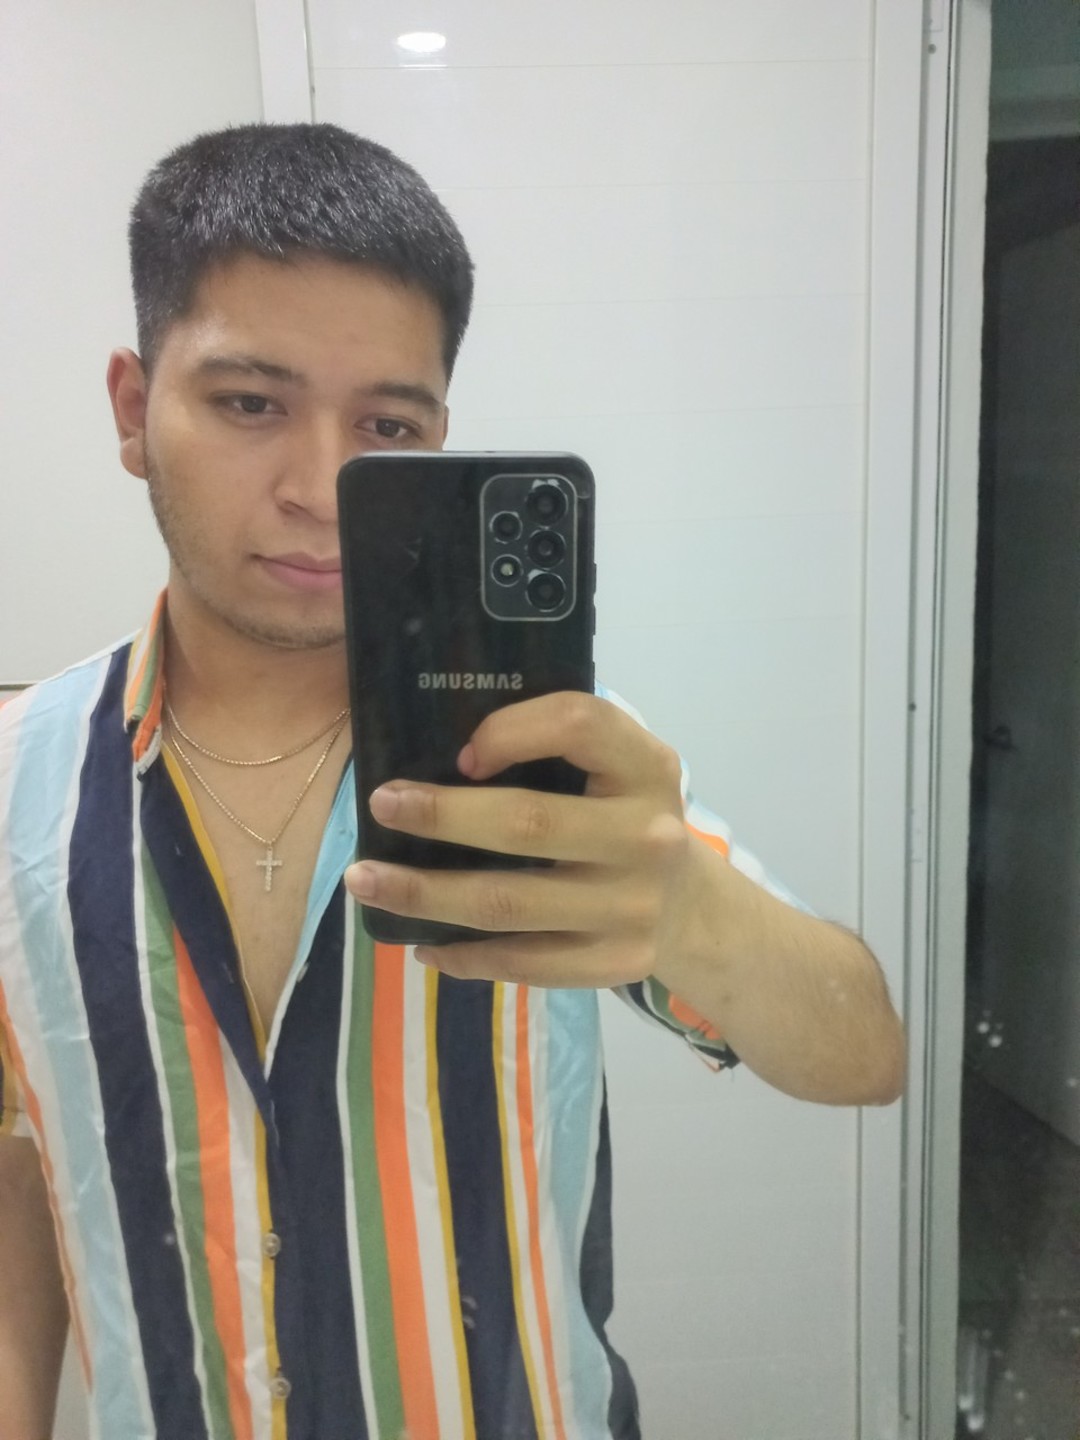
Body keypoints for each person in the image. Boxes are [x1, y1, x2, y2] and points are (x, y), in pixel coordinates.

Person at [0, 123, 904, 1440]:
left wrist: (690, 912)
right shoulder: (14, 785)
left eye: (386, 425)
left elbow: (863, 1053)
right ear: (135, 409)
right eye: (251, 403)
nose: (321, 488)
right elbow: (21, 1145)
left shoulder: (550, 761)